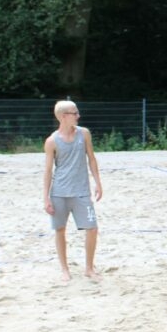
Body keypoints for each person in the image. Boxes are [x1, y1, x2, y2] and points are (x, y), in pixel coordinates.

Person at [43, 99, 103, 281]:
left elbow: (91, 158)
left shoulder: (84, 134)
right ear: (63, 116)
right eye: (74, 113)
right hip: (59, 193)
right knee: (60, 230)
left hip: (82, 191)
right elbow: (48, 170)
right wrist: (46, 198)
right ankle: (64, 269)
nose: (78, 116)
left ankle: (89, 268)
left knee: (92, 228)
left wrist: (98, 182)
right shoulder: (52, 141)